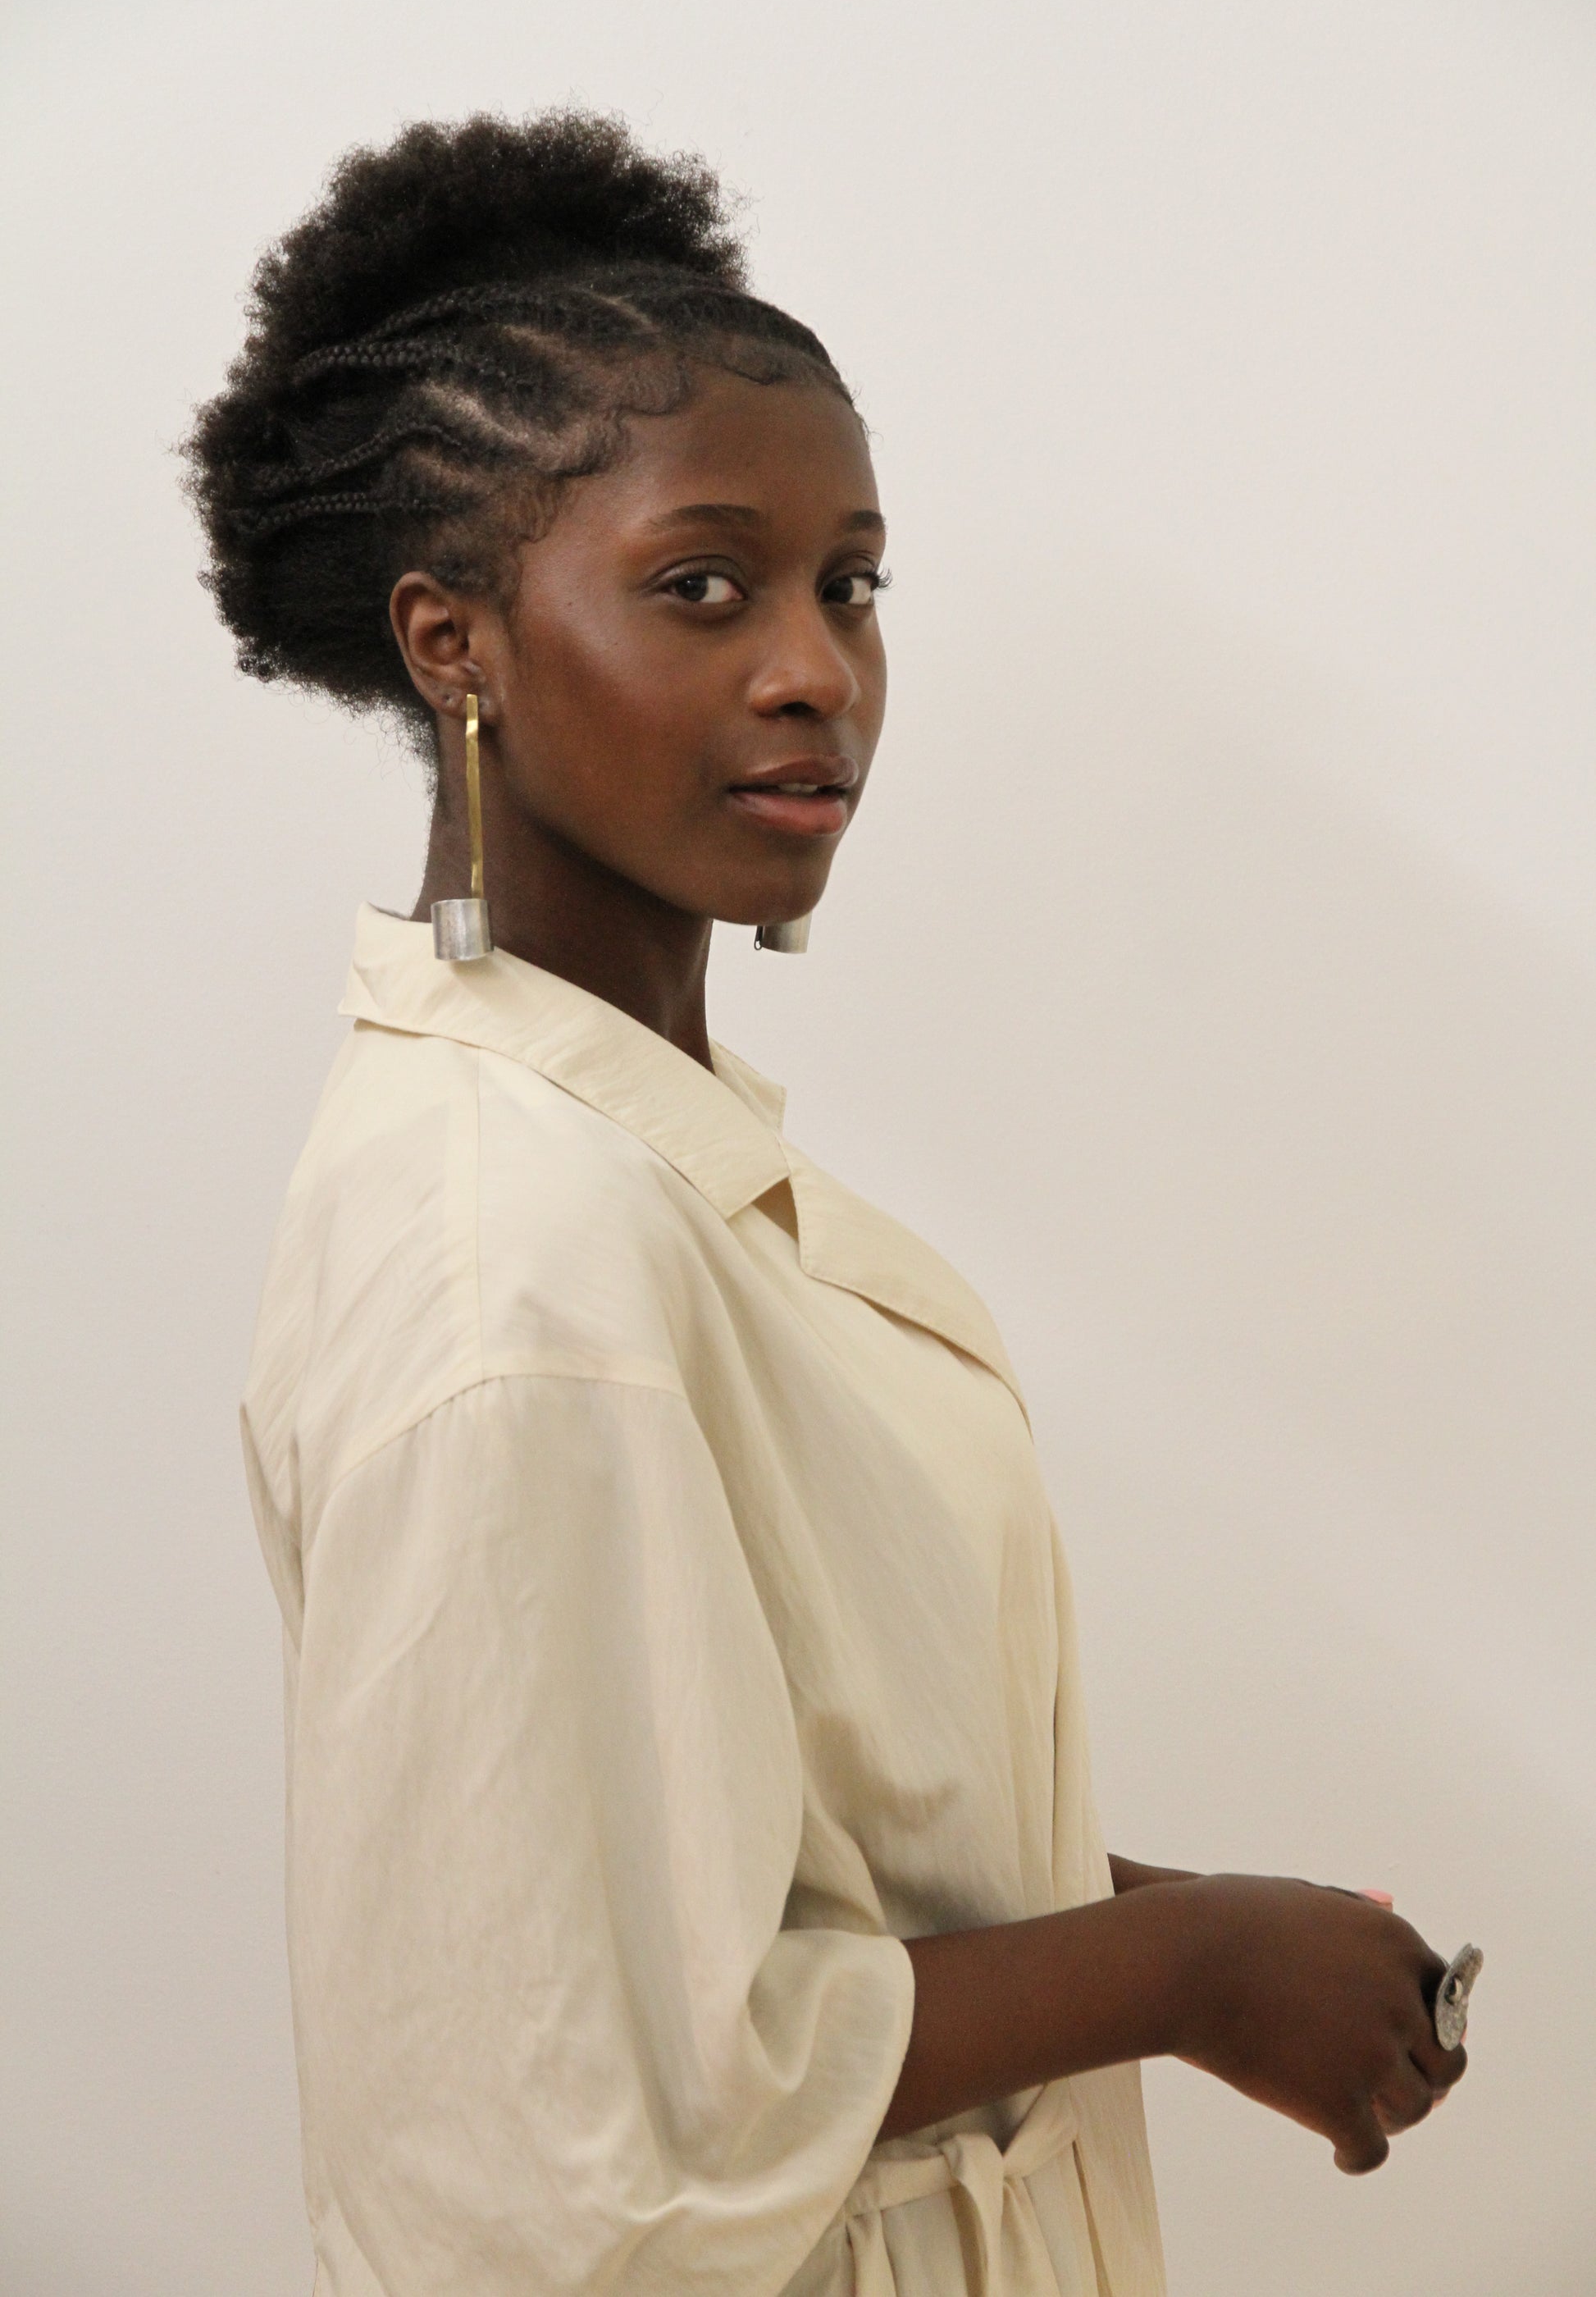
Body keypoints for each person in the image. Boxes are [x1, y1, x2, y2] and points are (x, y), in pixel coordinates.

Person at [187, 110, 1467, 2297]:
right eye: (704, 587)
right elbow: (548, 2125)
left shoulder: (637, 1159)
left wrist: (1193, 1929)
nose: (816, 669)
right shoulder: (515, 1262)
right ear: (453, 643)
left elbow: (730, 1844)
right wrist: (1178, 1967)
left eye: (849, 586)